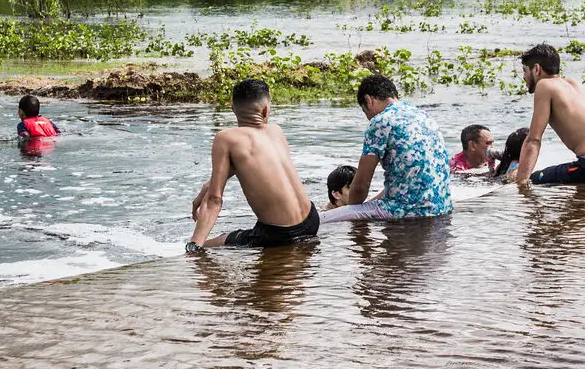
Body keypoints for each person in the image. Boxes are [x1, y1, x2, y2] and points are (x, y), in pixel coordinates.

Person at [188, 79, 319, 251]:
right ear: (266, 110)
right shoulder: (276, 131)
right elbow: (246, 166)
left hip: (279, 235)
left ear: (233, 109)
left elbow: (215, 199)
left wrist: (194, 244)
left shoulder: (226, 138)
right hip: (311, 221)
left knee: (215, 243)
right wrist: (204, 191)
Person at [328, 74, 454, 222]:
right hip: (442, 207)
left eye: (365, 111)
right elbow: (406, 182)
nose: (368, 117)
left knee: (325, 220)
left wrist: (350, 211)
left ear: (369, 100)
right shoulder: (424, 116)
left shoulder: (380, 121)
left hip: (406, 212)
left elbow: (361, 186)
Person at [516, 43, 585, 185]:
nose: (524, 77)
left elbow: (533, 140)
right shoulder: (575, 84)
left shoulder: (544, 86)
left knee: (533, 180)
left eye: (525, 70)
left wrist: (520, 183)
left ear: (536, 69)